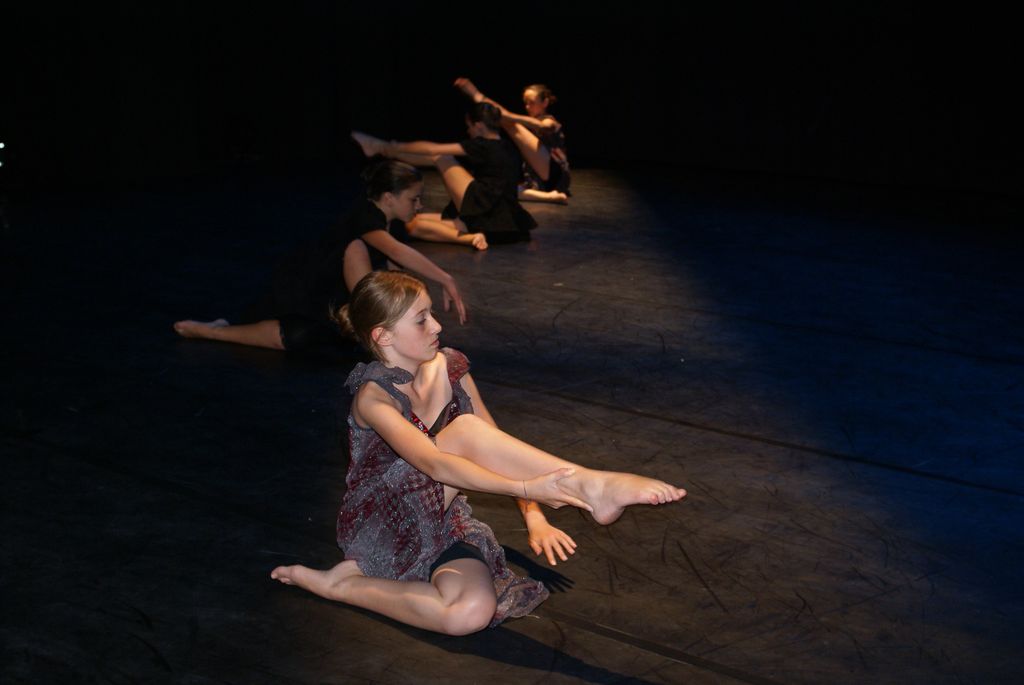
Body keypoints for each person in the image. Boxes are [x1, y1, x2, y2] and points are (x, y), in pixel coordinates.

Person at [270, 271, 687, 634]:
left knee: (469, 613)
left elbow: (495, 444)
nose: (437, 325)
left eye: (432, 313)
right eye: (422, 319)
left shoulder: (450, 366)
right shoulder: (373, 397)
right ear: (383, 335)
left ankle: (341, 584)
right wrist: (529, 488)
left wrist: (533, 514)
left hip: (439, 523)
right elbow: (433, 463)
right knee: (464, 431)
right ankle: (590, 485)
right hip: (385, 523)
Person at [172, 159, 467, 352]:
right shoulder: (365, 217)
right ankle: (213, 332)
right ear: (389, 197)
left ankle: (218, 330)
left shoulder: (392, 222)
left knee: (312, 340)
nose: (419, 205)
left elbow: (395, 263)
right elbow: (394, 252)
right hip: (312, 290)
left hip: (340, 297)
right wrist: (444, 278)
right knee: (299, 335)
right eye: (414, 199)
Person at [352, 101, 536, 249]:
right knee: (413, 223)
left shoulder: (484, 145)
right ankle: (470, 238)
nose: (468, 132)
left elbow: (433, 150)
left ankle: (381, 147)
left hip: (486, 209)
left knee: (441, 157)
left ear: (479, 125)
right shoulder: (508, 147)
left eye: (469, 127)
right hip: (502, 224)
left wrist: (392, 146)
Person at [454, 78, 570, 204]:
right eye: (526, 103)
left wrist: (476, 95)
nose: (527, 107)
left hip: (554, 175)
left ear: (545, 102)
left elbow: (546, 125)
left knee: (511, 124)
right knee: (502, 188)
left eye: (531, 102)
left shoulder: (549, 120)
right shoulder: (531, 125)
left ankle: (477, 95)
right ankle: (550, 197)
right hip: (543, 184)